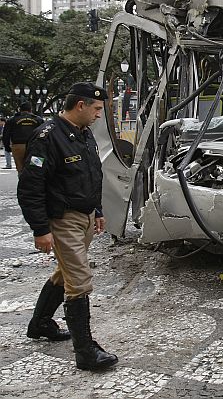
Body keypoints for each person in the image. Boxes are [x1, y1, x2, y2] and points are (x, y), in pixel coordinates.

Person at [17, 82, 118, 371]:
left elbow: (91, 174)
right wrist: (40, 229)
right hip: (63, 220)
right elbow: (31, 187)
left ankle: (40, 323)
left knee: (65, 272)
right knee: (80, 280)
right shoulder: (47, 136)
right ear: (81, 105)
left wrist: (97, 210)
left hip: (84, 217)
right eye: (97, 109)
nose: (100, 114)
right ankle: (85, 352)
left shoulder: (85, 134)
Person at [2, 102, 44, 174]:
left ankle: (22, 183)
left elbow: (6, 135)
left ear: (20, 109)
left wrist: (7, 147)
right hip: (35, 147)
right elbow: (44, 133)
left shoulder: (12, 120)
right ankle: (34, 183)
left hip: (18, 146)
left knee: (20, 168)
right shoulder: (38, 120)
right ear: (31, 109)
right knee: (36, 168)